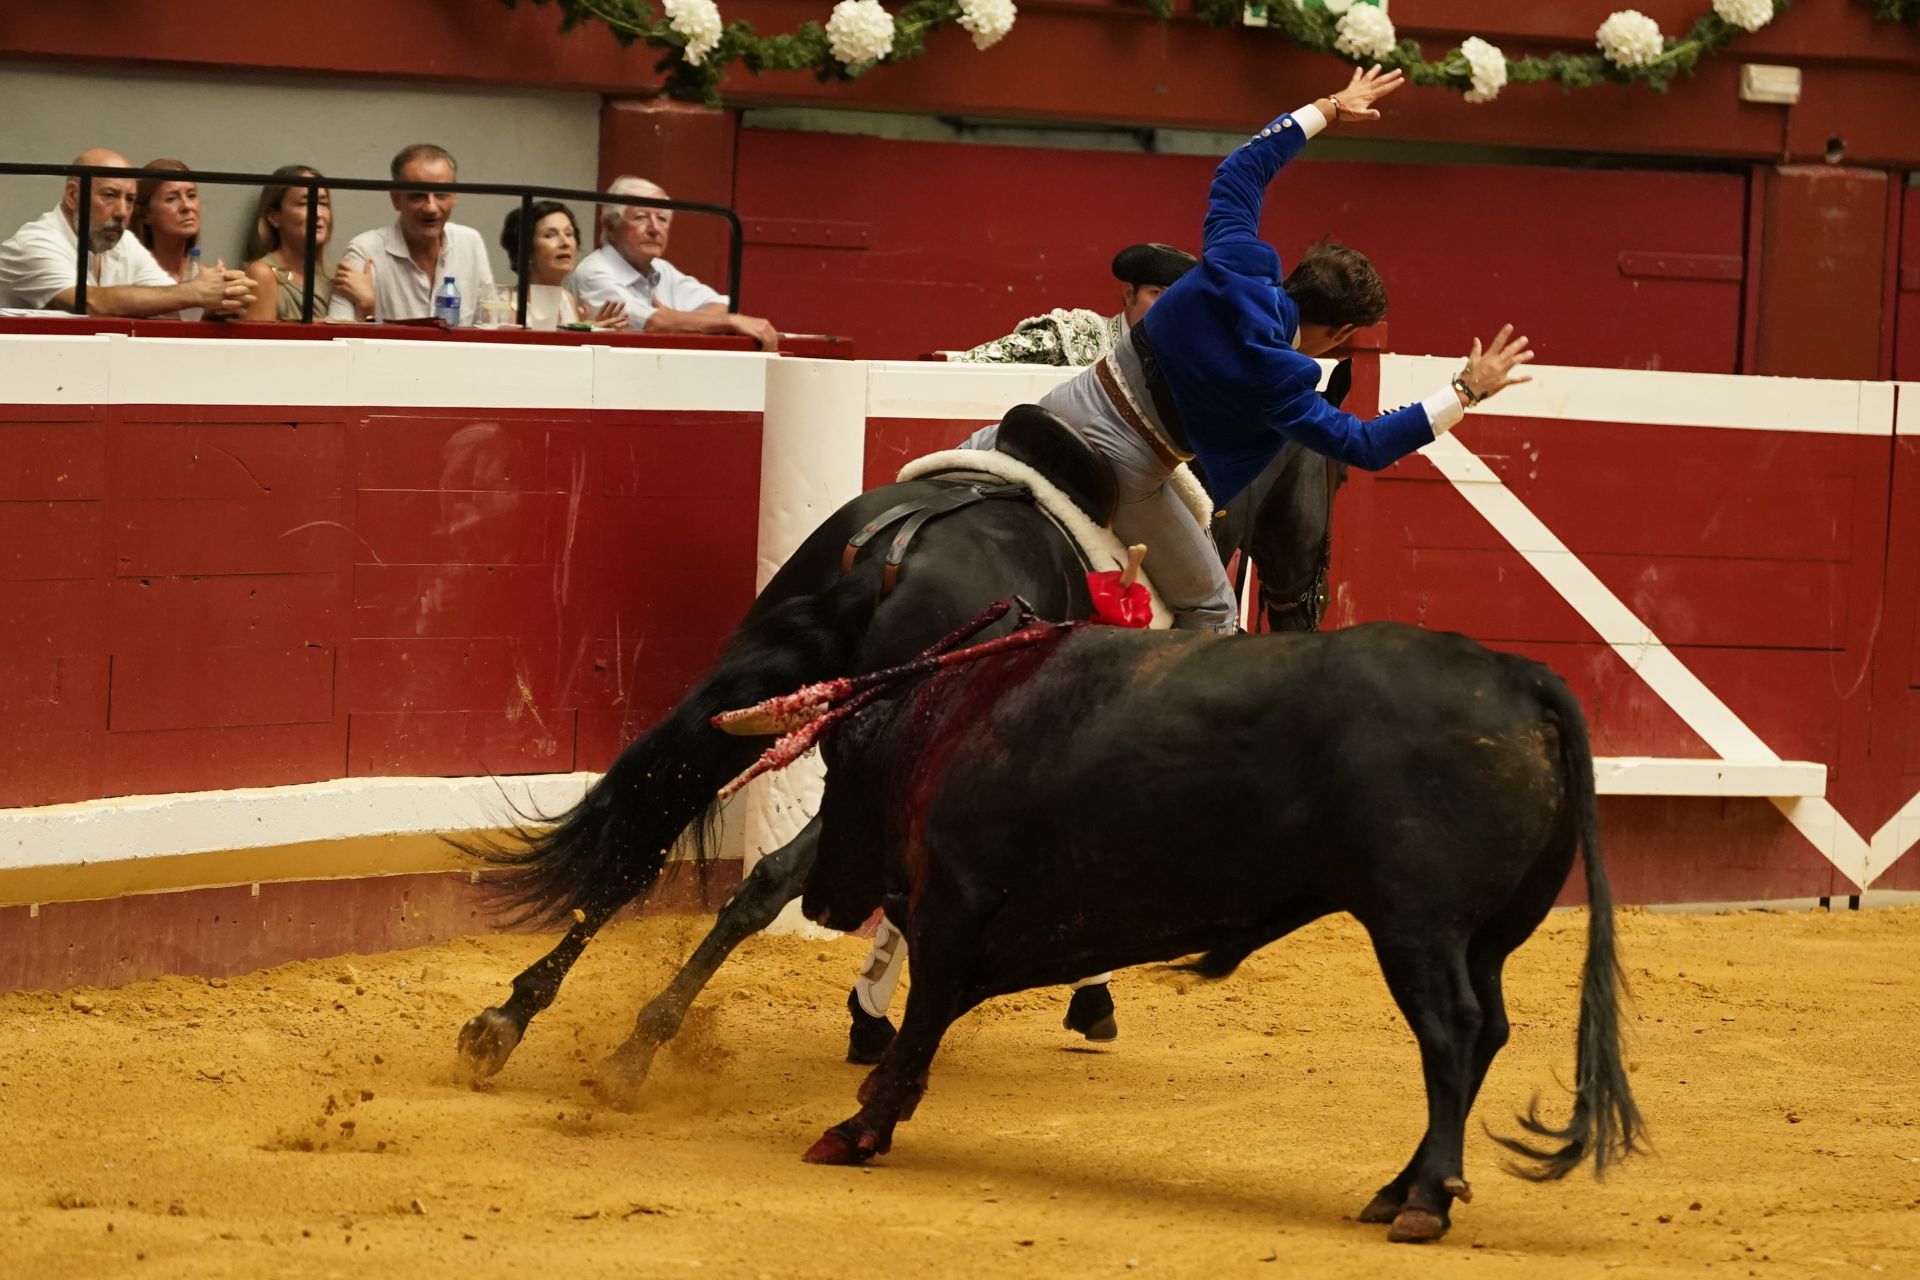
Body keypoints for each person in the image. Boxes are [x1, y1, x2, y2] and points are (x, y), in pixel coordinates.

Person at [968, 66, 1533, 634]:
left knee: (954, 467)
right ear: (1339, 334)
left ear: (1297, 276)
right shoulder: (1282, 382)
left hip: (1064, 407)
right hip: (1129, 469)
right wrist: (1465, 390)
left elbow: (1243, 169)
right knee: (1211, 610)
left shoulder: (1235, 255)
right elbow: (1364, 444)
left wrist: (1332, 106)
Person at [0, 148, 253, 317]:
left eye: (130, 200)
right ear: (73, 195)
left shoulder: (123, 241)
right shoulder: (36, 243)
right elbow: (90, 303)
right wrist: (197, 292)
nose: (122, 212)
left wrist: (218, 301)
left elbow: (168, 313)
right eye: (110, 196)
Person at [568, 176, 779, 349]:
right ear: (610, 225)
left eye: (662, 219)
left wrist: (676, 320)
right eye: (641, 217)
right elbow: (651, 324)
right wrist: (724, 323)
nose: (654, 228)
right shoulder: (594, 272)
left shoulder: (662, 269)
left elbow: (724, 306)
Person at [952, 242, 1197, 366]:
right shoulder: (1079, 336)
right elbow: (976, 364)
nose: (1167, 310)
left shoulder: (1185, 358)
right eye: (1157, 294)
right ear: (1129, 293)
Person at [328, 143, 494, 324]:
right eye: (418, 195)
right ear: (396, 199)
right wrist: (368, 308)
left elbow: (490, 324)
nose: (431, 208)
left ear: (454, 197)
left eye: (441, 194)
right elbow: (337, 335)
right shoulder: (365, 251)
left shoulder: (470, 243)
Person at [498, 201, 626, 329]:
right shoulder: (504, 306)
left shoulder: (567, 299)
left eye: (569, 234)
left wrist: (591, 332)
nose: (565, 243)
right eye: (550, 235)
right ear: (526, 250)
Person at [241, 165, 335, 322]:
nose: (318, 214)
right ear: (274, 217)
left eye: (323, 203)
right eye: (304, 203)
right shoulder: (263, 275)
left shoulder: (332, 278)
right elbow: (260, 344)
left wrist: (366, 305)